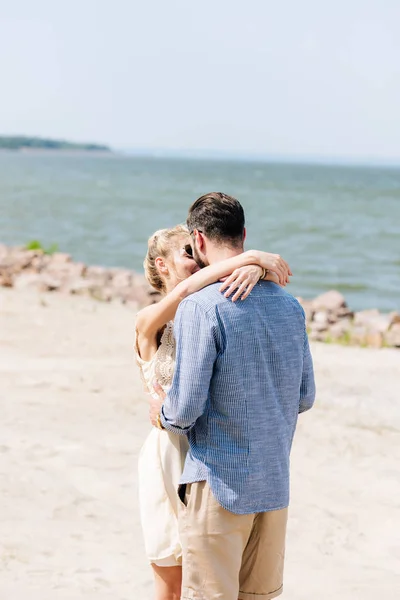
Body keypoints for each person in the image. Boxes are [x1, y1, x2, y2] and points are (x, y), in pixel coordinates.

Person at [149, 192, 316, 600]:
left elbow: (185, 409)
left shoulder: (202, 307)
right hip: (274, 485)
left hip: (219, 486)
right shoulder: (291, 306)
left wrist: (162, 413)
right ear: (243, 235)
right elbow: (306, 396)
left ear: (199, 240)